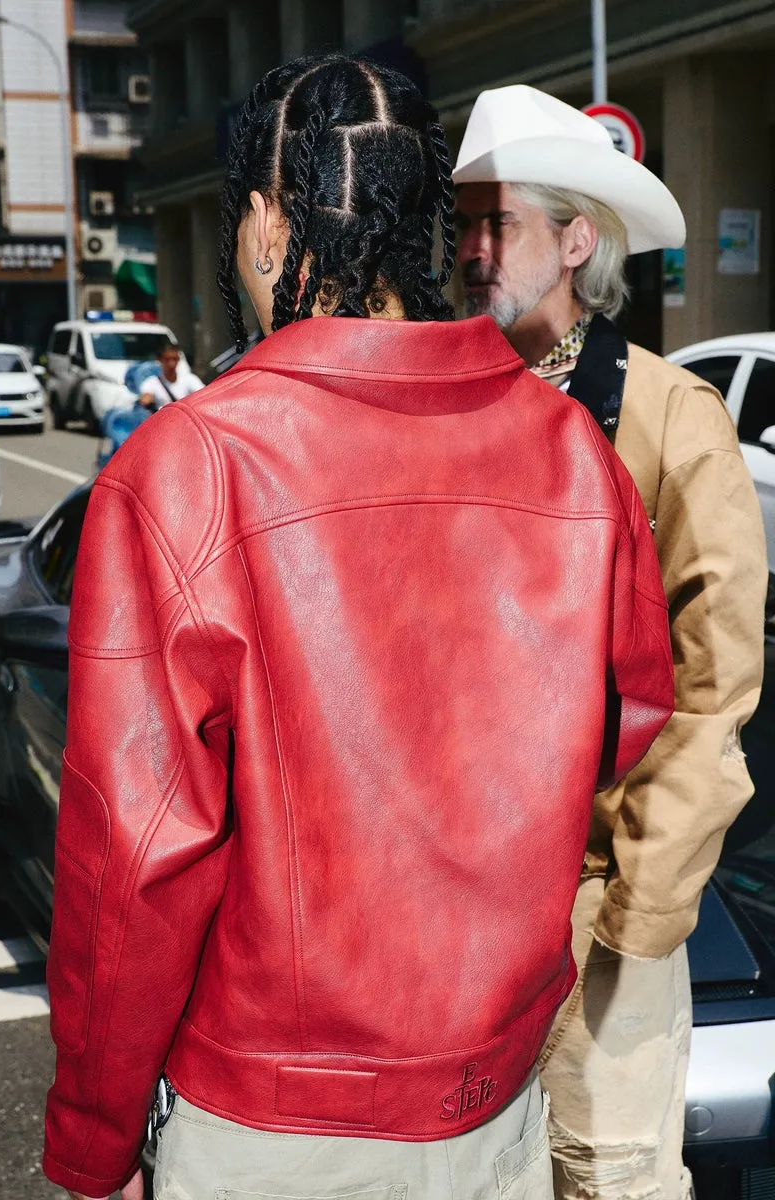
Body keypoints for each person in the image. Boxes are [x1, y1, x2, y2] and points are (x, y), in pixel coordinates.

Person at [43, 57, 674, 1200]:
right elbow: (628, 721)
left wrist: (94, 1140)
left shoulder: (190, 468)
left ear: (268, 227)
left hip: (267, 1126)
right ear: (433, 230)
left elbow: (131, 864)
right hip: (489, 1108)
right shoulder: (573, 452)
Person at [454, 83, 768, 1200]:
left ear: (576, 240)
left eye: (501, 225)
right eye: (465, 226)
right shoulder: (438, 407)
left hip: (601, 920)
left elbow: (714, 690)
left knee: (608, 1178)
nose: (473, 250)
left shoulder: (669, 415)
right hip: (451, 925)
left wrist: (632, 921)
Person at [138, 340, 203, 409]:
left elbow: (204, 396)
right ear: (160, 360)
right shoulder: (151, 382)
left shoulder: (190, 379)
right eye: (167, 359)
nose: (171, 364)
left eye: (175, 359)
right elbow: (145, 399)